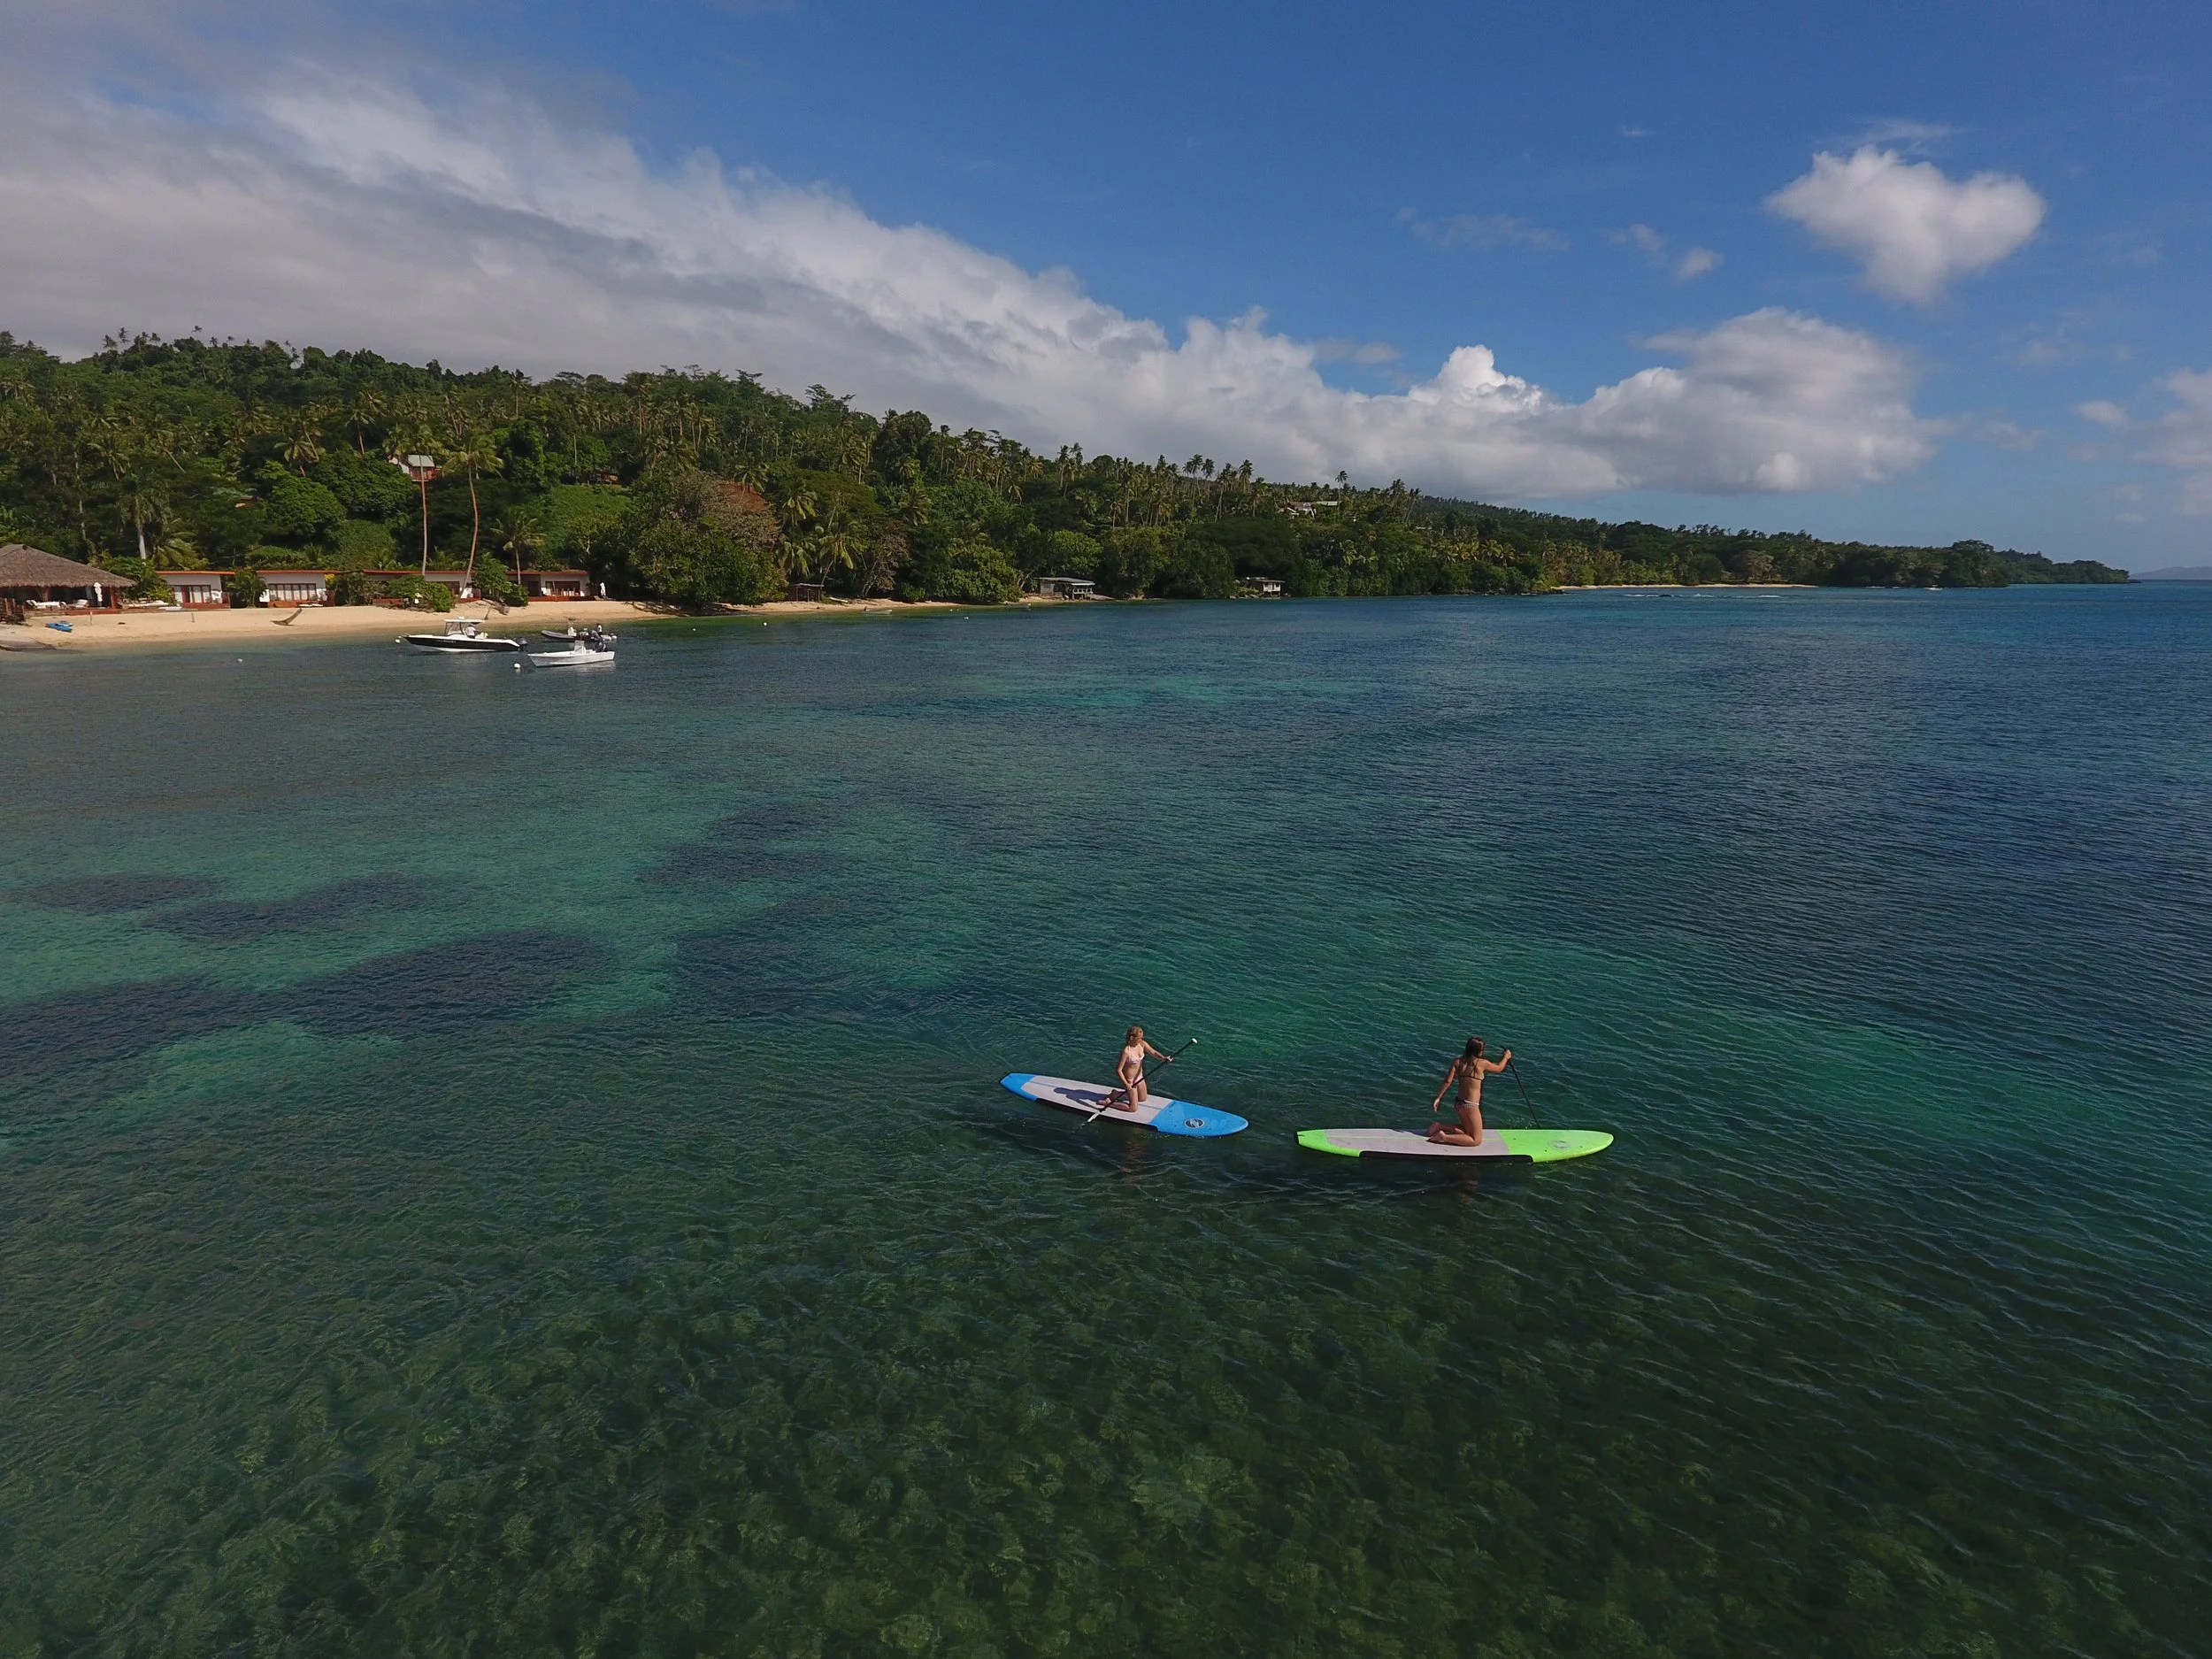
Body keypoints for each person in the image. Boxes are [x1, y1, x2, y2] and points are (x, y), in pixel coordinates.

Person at [1428, 1036, 1510, 1146]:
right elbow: (1499, 1068)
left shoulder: (1457, 1062)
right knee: (1476, 1141)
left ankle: (1438, 1126)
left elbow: (1448, 1081)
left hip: (1458, 1103)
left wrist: (1438, 1098)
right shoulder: (1482, 1063)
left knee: (1466, 1131)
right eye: (1482, 1049)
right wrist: (1506, 1057)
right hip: (1470, 1106)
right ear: (1478, 1051)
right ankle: (1444, 1136)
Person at [1107, 1025, 1172, 1111]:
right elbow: (1119, 1070)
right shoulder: (1126, 1051)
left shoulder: (1142, 1044)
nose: (1141, 1039)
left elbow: (1154, 1053)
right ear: (1131, 1038)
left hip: (1139, 1077)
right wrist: (1127, 1084)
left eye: (1142, 1037)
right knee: (1132, 1108)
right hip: (1130, 1081)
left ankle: (1116, 1094)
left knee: (1142, 1098)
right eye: (1139, 1038)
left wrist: (1163, 1058)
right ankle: (1108, 1103)